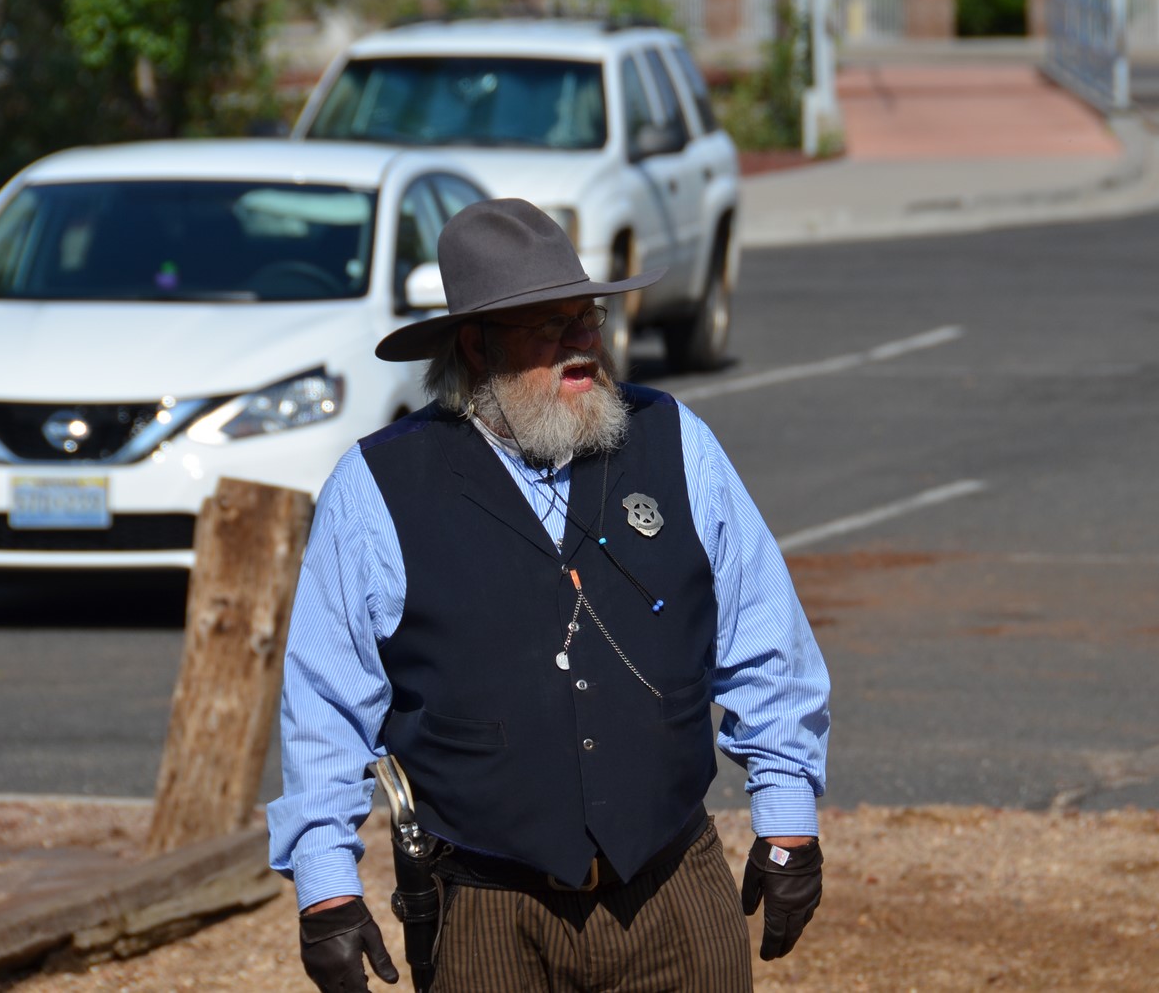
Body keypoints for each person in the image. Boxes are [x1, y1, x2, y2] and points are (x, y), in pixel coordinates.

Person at [267, 198, 831, 993]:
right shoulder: (377, 488)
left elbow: (766, 643)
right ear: (476, 346)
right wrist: (327, 888)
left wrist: (788, 824)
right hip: (488, 909)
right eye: (549, 325)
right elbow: (325, 703)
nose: (582, 346)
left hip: (674, 888)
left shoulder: (674, 441)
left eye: (588, 319)